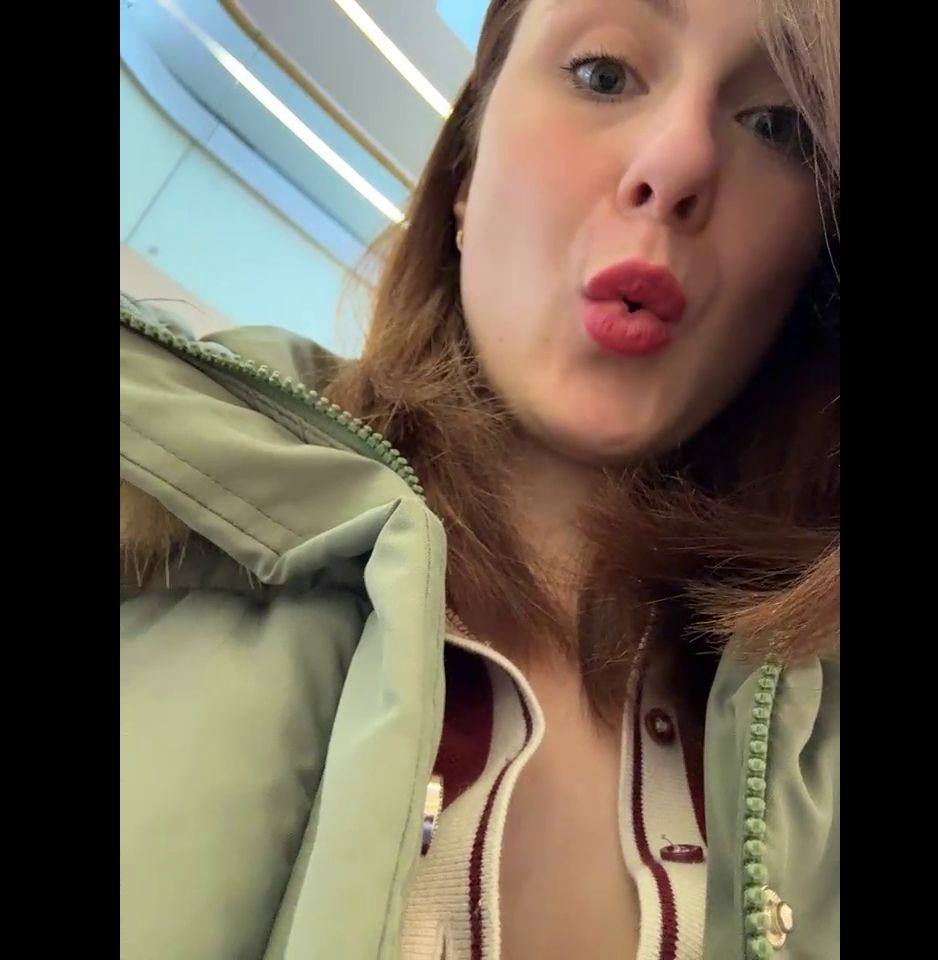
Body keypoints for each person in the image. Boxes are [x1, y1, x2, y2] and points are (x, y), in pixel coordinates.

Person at [119, 0, 839, 957]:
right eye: (603, 74)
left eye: (778, 125)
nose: (676, 165)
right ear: (464, 171)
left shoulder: (819, 742)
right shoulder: (156, 478)